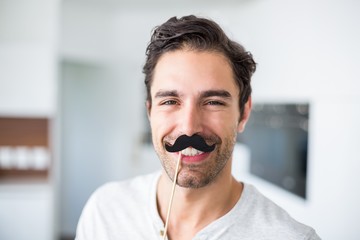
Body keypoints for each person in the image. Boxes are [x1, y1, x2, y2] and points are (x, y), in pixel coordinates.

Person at [75, 15, 321, 240]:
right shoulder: (104, 211)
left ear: (243, 113)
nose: (189, 128)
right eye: (170, 101)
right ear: (150, 111)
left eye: (213, 102)